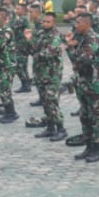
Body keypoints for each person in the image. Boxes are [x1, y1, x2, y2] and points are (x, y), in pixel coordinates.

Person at [67, 12, 99, 162]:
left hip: (95, 85)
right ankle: (89, 146)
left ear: (86, 24)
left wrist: (72, 49)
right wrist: (70, 47)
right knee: (85, 116)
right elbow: (75, 61)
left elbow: (83, 60)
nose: (76, 25)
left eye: (78, 23)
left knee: (96, 117)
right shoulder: (82, 39)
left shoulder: (93, 38)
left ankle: (98, 149)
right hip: (84, 84)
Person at [24, 12, 67, 141]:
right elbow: (32, 50)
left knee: (51, 102)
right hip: (40, 74)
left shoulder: (56, 36)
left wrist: (36, 52)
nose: (45, 24)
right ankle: (50, 127)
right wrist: (29, 40)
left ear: (54, 23)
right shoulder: (40, 34)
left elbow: (48, 53)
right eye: (44, 21)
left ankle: (61, 129)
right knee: (45, 102)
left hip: (52, 75)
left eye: (48, 22)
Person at [0, 7, 18, 122]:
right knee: (3, 89)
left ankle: (12, 113)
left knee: (4, 89)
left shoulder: (7, 30)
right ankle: (8, 112)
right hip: (2, 65)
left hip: (8, 65)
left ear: (4, 17)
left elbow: (0, 44)